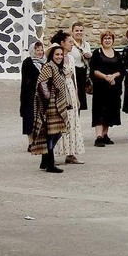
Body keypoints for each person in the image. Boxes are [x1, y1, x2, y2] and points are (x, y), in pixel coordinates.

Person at [28, 44, 71, 173]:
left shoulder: (58, 68)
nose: (59, 57)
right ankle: (50, 164)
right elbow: (42, 84)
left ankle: (45, 160)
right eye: (56, 54)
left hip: (57, 105)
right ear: (52, 55)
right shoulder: (48, 67)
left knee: (56, 132)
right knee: (51, 134)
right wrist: (46, 102)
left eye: (61, 55)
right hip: (51, 105)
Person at [52, 31, 84, 165]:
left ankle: (71, 153)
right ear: (62, 43)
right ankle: (54, 153)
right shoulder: (55, 58)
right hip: (60, 90)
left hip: (70, 89)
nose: (72, 45)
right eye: (70, 42)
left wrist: (76, 95)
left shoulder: (70, 58)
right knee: (60, 122)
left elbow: (73, 77)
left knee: (73, 121)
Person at [89, 30, 124, 146]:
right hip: (100, 88)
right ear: (101, 40)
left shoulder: (117, 54)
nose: (107, 40)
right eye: (105, 38)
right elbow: (94, 70)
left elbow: (121, 70)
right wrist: (106, 77)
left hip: (113, 88)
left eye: (109, 38)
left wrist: (114, 76)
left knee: (110, 110)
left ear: (113, 40)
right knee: (99, 111)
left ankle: (105, 135)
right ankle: (98, 137)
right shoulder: (97, 53)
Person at [20, 40, 44, 136]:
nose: (40, 52)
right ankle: (30, 142)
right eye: (37, 50)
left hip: (42, 95)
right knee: (30, 118)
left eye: (41, 50)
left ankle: (39, 141)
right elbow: (26, 81)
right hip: (30, 95)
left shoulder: (44, 62)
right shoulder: (28, 62)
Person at [69, 22, 92, 112]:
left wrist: (89, 56)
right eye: (77, 31)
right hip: (73, 73)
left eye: (81, 30)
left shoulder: (86, 45)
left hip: (83, 74)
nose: (79, 32)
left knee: (80, 102)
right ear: (72, 32)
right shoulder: (70, 44)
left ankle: (77, 122)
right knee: (73, 100)